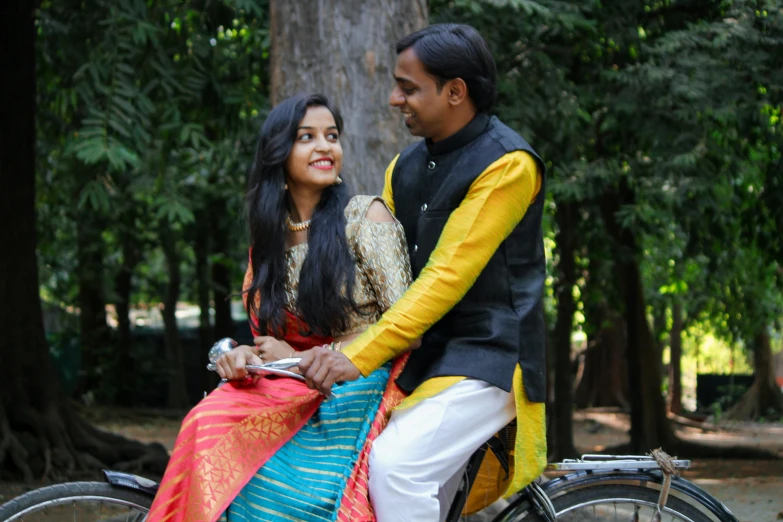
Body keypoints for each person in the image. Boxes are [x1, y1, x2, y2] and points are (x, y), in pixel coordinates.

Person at [297, 24, 548, 521]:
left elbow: (444, 278)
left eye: (408, 87)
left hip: (488, 358)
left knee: (395, 469)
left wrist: (358, 356)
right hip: (422, 359)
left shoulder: (508, 164)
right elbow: (371, 279)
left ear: (455, 91)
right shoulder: (405, 167)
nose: (394, 99)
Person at [146, 93, 414, 522]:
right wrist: (241, 355)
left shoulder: (366, 218)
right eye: (306, 137)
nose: (325, 146)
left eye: (331, 135)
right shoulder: (268, 243)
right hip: (292, 383)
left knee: (273, 485)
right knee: (208, 419)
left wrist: (307, 357)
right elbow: (271, 343)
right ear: (278, 155)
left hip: (360, 380)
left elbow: (407, 326)